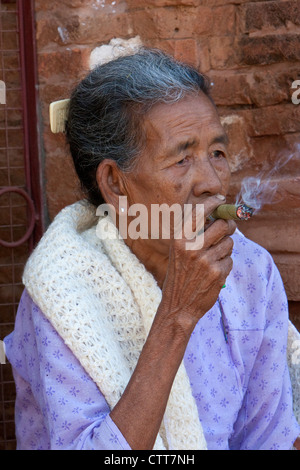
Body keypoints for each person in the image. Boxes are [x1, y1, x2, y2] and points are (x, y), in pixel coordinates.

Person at [4, 48, 300, 450]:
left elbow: (269, 439)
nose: (212, 182)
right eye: (182, 159)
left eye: (217, 153)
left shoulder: (249, 271)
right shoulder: (62, 293)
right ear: (115, 182)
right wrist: (177, 314)